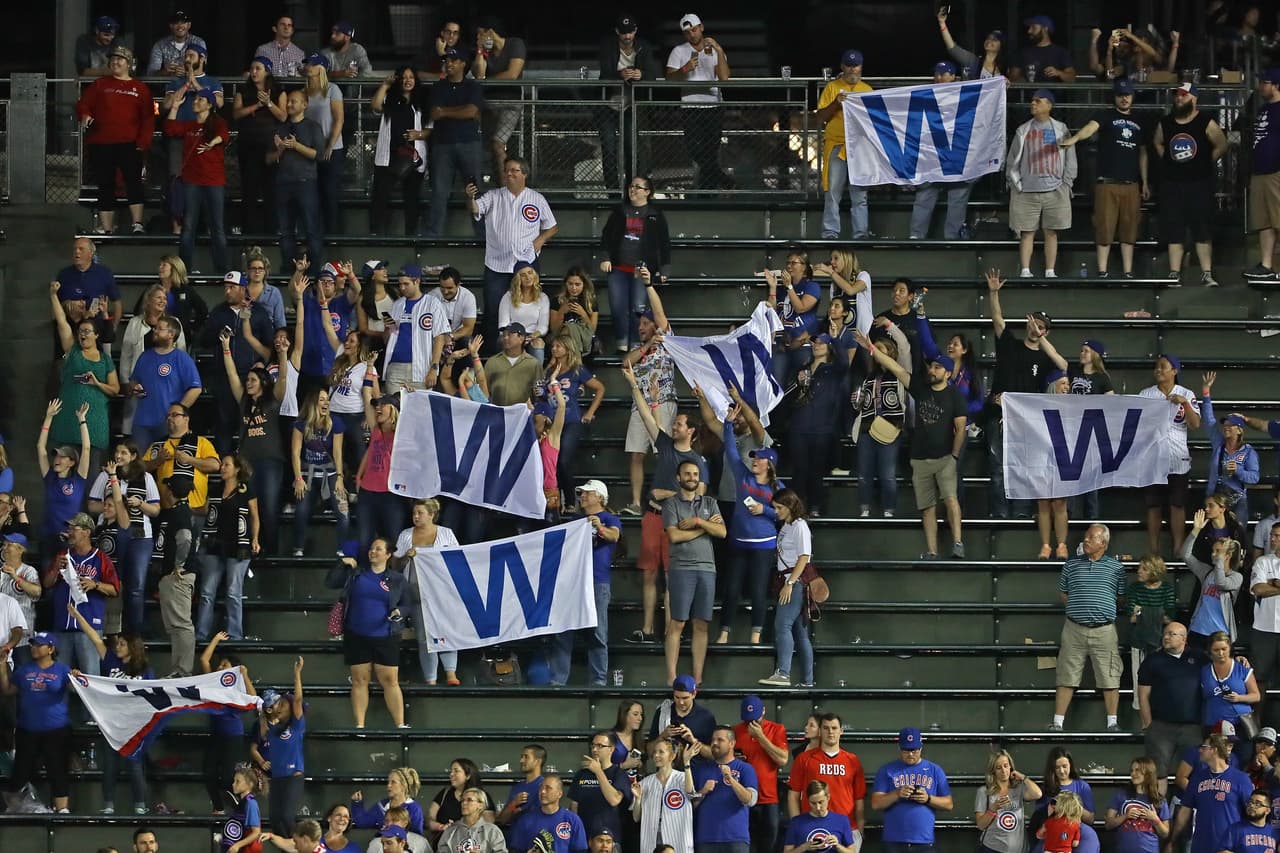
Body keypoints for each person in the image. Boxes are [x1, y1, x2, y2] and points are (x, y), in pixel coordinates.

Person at [984, 269, 1065, 519]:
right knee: (997, 468)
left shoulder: (1045, 357)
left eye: (1041, 327)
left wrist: (1042, 340)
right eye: (1033, 324)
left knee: (1023, 467)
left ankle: (1020, 513)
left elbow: (1063, 365)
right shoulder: (1010, 344)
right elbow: (998, 321)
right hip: (998, 414)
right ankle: (1000, 514)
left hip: (1026, 419)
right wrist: (994, 293)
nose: (1035, 329)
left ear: (1046, 332)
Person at [67, 602, 154, 815]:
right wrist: (77, 616)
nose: (118, 647)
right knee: (110, 765)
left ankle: (140, 805)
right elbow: (94, 638)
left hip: (134, 724)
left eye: (122, 644)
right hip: (111, 722)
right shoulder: (111, 660)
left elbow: (151, 696)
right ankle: (108, 804)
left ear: (133, 647)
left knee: (134, 764)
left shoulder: (145, 670)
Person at [1057, 80, 1150, 278]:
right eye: (1120, 95)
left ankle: (1128, 271)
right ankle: (1102, 270)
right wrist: (1075, 138)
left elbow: (1143, 153)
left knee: (1129, 229)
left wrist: (1145, 180)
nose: (1124, 98)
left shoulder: (1140, 120)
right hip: (1107, 181)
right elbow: (1090, 128)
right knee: (1104, 227)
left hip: (1131, 183)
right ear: (1114, 97)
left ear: (1133, 96)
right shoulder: (1105, 115)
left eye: (1127, 95)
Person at [467, 158, 558, 350]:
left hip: (527, 263)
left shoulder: (536, 199)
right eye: (507, 170)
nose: (509, 173)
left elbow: (552, 226)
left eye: (514, 170)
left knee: (528, 307)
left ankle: (526, 352)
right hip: (497, 264)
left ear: (524, 174)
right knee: (493, 310)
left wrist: (540, 240)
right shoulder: (493, 196)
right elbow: (476, 209)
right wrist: (470, 198)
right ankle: (493, 353)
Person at [1050, 524, 1125, 732]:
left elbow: (1121, 597)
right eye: (1086, 536)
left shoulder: (1116, 568)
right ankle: (1057, 723)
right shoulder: (1071, 565)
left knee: (1110, 676)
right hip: (1074, 628)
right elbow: (1063, 593)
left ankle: (1112, 723)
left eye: (1091, 537)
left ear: (1103, 543)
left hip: (1104, 630)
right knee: (1066, 675)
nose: (1086, 540)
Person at [1153, 83, 1229, 286]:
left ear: (1194, 98)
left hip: (1199, 184)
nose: (1179, 98)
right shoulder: (1166, 122)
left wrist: (1205, 161)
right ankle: (1174, 273)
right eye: (1177, 95)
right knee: (1174, 229)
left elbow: (1222, 144)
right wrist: (1169, 161)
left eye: (1183, 95)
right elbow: (1157, 142)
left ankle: (1206, 273)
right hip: (1172, 184)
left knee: (1202, 229)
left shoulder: (1206, 122)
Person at [224, 331, 289, 555]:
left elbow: (283, 379)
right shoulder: (243, 401)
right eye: (248, 380)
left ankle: (271, 551)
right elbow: (232, 374)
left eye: (252, 380)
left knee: (269, 506)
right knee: (251, 507)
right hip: (247, 463)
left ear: (263, 382)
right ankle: (253, 546)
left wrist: (283, 355)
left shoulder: (273, 400)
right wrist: (226, 348)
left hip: (271, 462)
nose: (248, 383)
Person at [76, 44, 152, 235]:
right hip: (102, 143)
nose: (115, 62)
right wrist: (85, 114)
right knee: (105, 184)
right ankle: (107, 228)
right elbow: (83, 104)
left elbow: (148, 118)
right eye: (113, 59)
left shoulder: (140, 88)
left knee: (133, 182)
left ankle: (137, 224)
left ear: (129, 64)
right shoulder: (100, 84)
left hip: (130, 143)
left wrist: (143, 142)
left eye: (120, 59)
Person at [87, 442, 161, 633]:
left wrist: (140, 504)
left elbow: (155, 509)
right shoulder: (105, 475)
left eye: (123, 452)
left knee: (136, 586)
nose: (118, 456)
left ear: (133, 456)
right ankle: (111, 629)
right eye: (116, 452)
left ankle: (134, 631)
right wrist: (112, 506)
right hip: (111, 534)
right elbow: (92, 505)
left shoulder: (146, 477)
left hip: (140, 535)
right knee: (112, 581)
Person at [661, 461, 723, 683]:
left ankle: (697, 678)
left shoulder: (710, 503)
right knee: (677, 623)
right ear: (678, 477)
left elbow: (722, 532)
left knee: (701, 624)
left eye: (695, 474)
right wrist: (705, 527)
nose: (692, 477)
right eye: (687, 474)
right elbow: (675, 536)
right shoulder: (671, 504)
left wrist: (697, 522)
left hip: (707, 568)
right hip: (682, 568)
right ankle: (671, 677)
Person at [1007, 90, 1077, 279]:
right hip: (1026, 190)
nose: (1033, 104)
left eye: (1038, 101)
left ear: (1049, 105)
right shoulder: (1023, 130)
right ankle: (1025, 270)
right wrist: (1016, 184)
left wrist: (1066, 183)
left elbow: (1070, 158)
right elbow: (1012, 160)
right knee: (1026, 232)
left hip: (1055, 189)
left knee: (1051, 232)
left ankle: (1050, 270)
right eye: (1032, 101)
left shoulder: (1061, 129)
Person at [49, 284, 119, 473]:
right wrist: (53, 295)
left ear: (96, 335)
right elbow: (62, 322)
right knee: (64, 475)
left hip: (95, 425)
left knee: (91, 476)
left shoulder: (105, 361)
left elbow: (115, 389)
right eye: (80, 331)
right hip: (68, 423)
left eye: (87, 331)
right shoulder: (72, 351)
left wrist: (97, 383)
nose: (82, 334)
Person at [0, 632, 72, 812]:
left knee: (58, 770)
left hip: (56, 729)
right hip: (27, 729)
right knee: (21, 770)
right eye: (32, 644)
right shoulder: (24, 670)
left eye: (39, 645)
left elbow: (75, 689)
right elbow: (8, 690)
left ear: (51, 649)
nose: (34, 648)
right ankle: (15, 808)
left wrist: (77, 677)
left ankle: (62, 810)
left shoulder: (63, 670)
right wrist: (1, 665)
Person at [1139, 355, 1201, 554]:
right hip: (1153, 458)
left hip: (1178, 458)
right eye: (1156, 367)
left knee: (1177, 505)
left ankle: (1178, 547)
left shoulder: (1186, 393)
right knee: (1153, 505)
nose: (1158, 370)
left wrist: (1185, 404)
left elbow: (1195, 424)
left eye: (1163, 367)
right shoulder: (1146, 394)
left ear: (1174, 371)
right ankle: (1154, 549)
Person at [164, 84, 229, 276]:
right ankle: (184, 270)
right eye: (196, 98)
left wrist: (212, 142)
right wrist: (175, 106)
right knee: (188, 226)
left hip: (214, 181)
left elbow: (223, 134)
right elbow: (169, 128)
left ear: (209, 105)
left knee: (217, 226)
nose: (196, 101)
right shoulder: (190, 125)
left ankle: (221, 269)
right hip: (192, 181)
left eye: (200, 99)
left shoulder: (217, 123)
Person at [395, 499, 460, 686]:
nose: (416, 517)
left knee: (447, 630)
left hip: (442, 590)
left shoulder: (446, 534)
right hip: (416, 592)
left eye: (420, 513)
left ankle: (451, 673)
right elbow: (395, 565)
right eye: (414, 513)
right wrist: (406, 557)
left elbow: (457, 560)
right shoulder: (406, 535)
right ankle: (430, 678)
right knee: (424, 637)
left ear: (432, 515)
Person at [849, 321, 912, 518]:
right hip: (867, 429)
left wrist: (889, 326)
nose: (874, 353)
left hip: (890, 428)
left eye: (879, 349)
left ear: (890, 353)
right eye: (873, 350)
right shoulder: (869, 376)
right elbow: (861, 406)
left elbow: (904, 346)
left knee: (887, 474)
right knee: (864, 474)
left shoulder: (899, 373)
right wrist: (857, 401)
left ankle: (889, 510)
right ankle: (864, 508)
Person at [908, 60, 976, 241]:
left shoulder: (964, 95)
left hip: (956, 155)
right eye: (937, 74)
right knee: (925, 195)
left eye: (944, 74)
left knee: (958, 196)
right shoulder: (925, 95)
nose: (939, 77)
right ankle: (916, 237)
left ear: (953, 77)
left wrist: (1000, 85)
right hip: (931, 155)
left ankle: (952, 239)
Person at [196, 453, 260, 642]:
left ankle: (235, 635)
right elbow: (205, 510)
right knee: (207, 592)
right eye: (222, 465)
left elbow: (254, 517)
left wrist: (255, 539)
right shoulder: (215, 489)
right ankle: (201, 634)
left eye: (226, 465)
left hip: (239, 545)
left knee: (233, 592)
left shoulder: (247, 490)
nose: (222, 468)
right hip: (214, 544)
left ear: (237, 469)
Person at [665, 13, 731, 190]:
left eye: (694, 30)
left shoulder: (714, 49)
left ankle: (707, 194)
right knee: (694, 149)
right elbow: (669, 79)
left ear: (701, 27)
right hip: (690, 105)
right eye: (687, 32)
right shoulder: (679, 51)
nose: (691, 34)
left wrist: (718, 49)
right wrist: (685, 69)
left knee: (711, 152)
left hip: (714, 105)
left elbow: (724, 78)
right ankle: (724, 181)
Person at [425, 47, 486, 238]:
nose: (448, 63)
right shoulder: (438, 86)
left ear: (463, 64)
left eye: (453, 60)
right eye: (447, 60)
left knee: (475, 189)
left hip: (469, 143)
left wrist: (446, 111)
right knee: (439, 191)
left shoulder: (472, 86)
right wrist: (459, 111)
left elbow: (471, 111)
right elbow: (435, 113)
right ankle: (433, 234)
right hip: (442, 144)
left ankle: (482, 234)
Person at [758, 489, 815, 687]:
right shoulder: (787, 525)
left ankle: (783, 673)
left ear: (790, 506)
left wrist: (789, 583)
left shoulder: (799, 526)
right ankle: (807, 681)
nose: (776, 511)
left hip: (794, 581)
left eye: (779, 507)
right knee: (800, 633)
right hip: (789, 579)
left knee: (782, 625)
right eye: (775, 507)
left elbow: (804, 557)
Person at [597, 16, 660, 190]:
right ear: (617, 32)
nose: (627, 36)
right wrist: (620, 75)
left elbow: (653, 75)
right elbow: (603, 75)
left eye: (630, 32)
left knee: (632, 148)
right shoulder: (608, 46)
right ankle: (612, 192)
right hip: (609, 105)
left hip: (632, 105)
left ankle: (630, 189)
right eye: (624, 32)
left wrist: (641, 75)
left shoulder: (644, 46)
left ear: (635, 30)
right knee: (609, 149)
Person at [198, 634, 258, 814]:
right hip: (216, 735)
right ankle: (218, 808)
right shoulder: (213, 683)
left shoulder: (237, 689)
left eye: (224, 665)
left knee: (227, 778)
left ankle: (241, 810)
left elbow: (253, 698)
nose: (220, 667)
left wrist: (244, 674)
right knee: (208, 772)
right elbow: (204, 660)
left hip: (233, 737)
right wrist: (216, 639)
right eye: (220, 664)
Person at [816, 50, 872, 239]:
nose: (852, 69)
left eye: (855, 65)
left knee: (860, 194)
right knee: (832, 192)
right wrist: (836, 103)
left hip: (860, 148)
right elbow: (820, 117)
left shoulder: (867, 90)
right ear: (842, 66)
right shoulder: (832, 87)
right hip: (837, 144)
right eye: (848, 65)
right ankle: (830, 232)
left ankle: (861, 233)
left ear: (861, 67)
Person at [787, 712, 866, 844]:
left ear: (841, 731)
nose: (830, 732)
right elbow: (793, 795)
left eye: (834, 728)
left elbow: (859, 799)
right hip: (812, 827)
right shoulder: (804, 759)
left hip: (847, 828)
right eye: (826, 728)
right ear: (820, 731)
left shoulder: (852, 760)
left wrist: (860, 829)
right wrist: (797, 826)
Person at [871, 728, 954, 852]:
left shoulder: (935, 770)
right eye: (906, 750)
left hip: (924, 842)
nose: (910, 754)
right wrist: (897, 794)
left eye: (914, 750)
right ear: (899, 748)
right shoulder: (886, 770)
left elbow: (949, 804)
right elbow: (876, 804)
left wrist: (928, 798)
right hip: (894, 842)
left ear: (921, 748)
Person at [232, 57, 287, 236]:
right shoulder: (243, 91)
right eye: (252, 68)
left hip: (270, 146)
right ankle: (250, 233)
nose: (254, 72)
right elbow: (236, 114)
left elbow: (283, 116)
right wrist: (256, 105)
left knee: (270, 189)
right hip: (248, 145)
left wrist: (269, 103)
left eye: (258, 68)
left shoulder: (278, 91)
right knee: (249, 190)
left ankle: (271, 232)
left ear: (267, 71)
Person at [370, 67, 428, 236]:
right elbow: (375, 106)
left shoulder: (422, 101)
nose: (407, 80)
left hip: (412, 155)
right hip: (388, 155)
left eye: (411, 77)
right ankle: (376, 234)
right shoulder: (389, 98)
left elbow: (431, 129)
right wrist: (385, 85)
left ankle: (411, 235)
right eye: (403, 77)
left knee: (412, 198)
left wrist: (417, 134)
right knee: (380, 195)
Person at [272, 89, 326, 269]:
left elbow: (319, 155)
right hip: (283, 183)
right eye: (288, 101)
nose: (288, 104)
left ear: (305, 105)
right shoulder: (280, 127)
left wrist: (296, 146)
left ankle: (315, 270)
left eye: (293, 101)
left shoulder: (312, 127)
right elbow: (269, 158)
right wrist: (280, 149)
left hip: (306, 182)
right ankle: (288, 270)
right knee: (285, 231)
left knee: (311, 229)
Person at [1171, 733, 1252, 853]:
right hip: (1201, 845)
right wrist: (1172, 840)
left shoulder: (1241, 779)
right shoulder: (1197, 778)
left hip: (1229, 846)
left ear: (1214, 750)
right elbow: (1185, 811)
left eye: (1204, 747)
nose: (1200, 750)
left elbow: (1251, 813)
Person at [291, 389, 348, 556]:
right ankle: (298, 548)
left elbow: (337, 452)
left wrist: (340, 477)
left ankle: (342, 550)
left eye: (327, 399)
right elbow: (295, 453)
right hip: (307, 474)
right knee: (301, 511)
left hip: (330, 473)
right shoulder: (301, 424)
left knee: (344, 512)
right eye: (322, 399)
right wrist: (298, 478)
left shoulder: (335, 422)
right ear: (313, 403)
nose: (326, 403)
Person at [471, 17, 527, 184]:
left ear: (491, 32)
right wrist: (480, 51)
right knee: (480, 143)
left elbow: (512, 74)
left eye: (480, 34)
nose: (478, 37)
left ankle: (506, 186)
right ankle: (482, 183)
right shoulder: (486, 52)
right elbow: (479, 75)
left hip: (511, 102)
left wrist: (487, 81)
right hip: (488, 103)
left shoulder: (515, 44)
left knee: (498, 143)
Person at [729, 696, 788, 853]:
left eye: (756, 719)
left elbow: (783, 759)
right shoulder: (735, 731)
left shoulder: (776, 729)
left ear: (763, 711)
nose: (752, 723)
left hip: (768, 798)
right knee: (744, 846)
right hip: (742, 797)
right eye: (748, 719)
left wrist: (761, 737)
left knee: (768, 845)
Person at [577, 481, 620, 686]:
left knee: (598, 632)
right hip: (574, 582)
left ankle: (599, 681)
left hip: (597, 581)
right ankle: (557, 680)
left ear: (600, 498)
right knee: (563, 633)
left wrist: (599, 527)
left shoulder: (610, 519)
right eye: (582, 493)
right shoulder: (575, 520)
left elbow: (614, 535)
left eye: (588, 493)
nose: (583, 496)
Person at [1202, 371, 1261, 521]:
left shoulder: (1248, 452)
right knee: (1214, 533)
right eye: (1225, 424)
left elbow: (1254, 477)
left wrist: (1238, 471)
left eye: (1231, 425)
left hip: (1237, 501)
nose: (1226, 427)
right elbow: (1209, 420)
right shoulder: (1219, 443)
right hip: (1215, 499)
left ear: (1240, 430)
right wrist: (1206, 392)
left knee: (1237, 533)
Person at [1185, 505, 1246, 643]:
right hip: (1198, 630)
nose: (1213, 554)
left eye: (1217, 551)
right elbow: (1185, 555)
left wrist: (1220, 559)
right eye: (1213, 551)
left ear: (1228, 555)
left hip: (1220, 633)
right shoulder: (1207, 572)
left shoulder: (1237, 577)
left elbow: (1221, 583)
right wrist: (1195, 531)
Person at [260, 657, 307, 836]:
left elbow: (298, 700)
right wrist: (264, 710)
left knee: (287, 817)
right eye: (277, 704)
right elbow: (261, 715)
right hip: (277, 779)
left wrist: (297, 674)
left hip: (293, 778)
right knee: (275, 820)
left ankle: (299, 846)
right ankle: (286, 847)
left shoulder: (297, 725)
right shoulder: (271, 728)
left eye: (283, 703)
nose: (280, 707)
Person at [763, 252, 822, 389]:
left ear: (804, 267)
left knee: (803, 386)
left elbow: (801, 308)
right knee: (776, 386)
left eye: (793, 263)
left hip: (803, 345)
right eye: (787, 263)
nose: (789, 266)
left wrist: (790, 287)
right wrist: (773, 287)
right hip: (782, 345)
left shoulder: (811, 286)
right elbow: (771, 311)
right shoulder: (782, 288)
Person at [631, 738, 697, 853]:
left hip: (677, 836)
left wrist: (686, 763)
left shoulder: (682, 778)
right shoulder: (645, 783)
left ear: (672, 756)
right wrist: (638, 799)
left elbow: (690, 792)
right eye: (655, 752)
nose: (656, 755)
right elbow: (636, 817)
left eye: (661, 752)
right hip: (652, 837)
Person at [1245, 69, 1280, 281]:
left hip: (1276, 172)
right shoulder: (1263, 109)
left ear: (1276, 85)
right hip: (1260, 171)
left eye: (1264, 83)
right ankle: (1266, 265)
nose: (1260, 87)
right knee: (1264, 221)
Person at [569, 731, 632, 841]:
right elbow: (574, 806)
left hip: (610, 839)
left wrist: (598, 771)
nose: (594, 749)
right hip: (585, 837)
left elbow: (614, 800)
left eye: (600, 746)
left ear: (611, 749)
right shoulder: (582, 774)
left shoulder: (619, 774)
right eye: (593, 745)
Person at [975, 750, 1040, 853]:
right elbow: (981, 825)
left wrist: (1023, 777)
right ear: (993, 771)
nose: (1003, 770)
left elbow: (1037, 794)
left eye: (1006, 766)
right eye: (998, 768)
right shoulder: (984, 791)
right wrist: (993, 809)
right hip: (992, 848)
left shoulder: (1019, 788)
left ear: (1011, 767)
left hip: (1019, 849)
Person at [1103, 756, 1171, 851]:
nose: (1133, 774)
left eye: (1137, 770)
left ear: (1148, 773)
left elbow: (1165, 833)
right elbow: (1108, 825)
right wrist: (1125, 816)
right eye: (1132, 770)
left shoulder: (1159, 800)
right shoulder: (1120, 795)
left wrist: (1155, 819)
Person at [510, 775, 587, 853]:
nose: (543, 791)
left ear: (559, 794)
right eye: (541, 788)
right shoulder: (525, 820)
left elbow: (580, 850)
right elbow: (516, 850)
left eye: (548, 788)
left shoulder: (573, 820)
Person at [1201, 630, 1261, 729]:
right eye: (1216, 650)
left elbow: (1256, 696)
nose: (1221, 653)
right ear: (1210, 650)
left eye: (1224, 649)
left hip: (1240, 723)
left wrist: (1239, 698)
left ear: (1230, 648)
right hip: (1213, 723)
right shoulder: (1204, 671)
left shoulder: (1242, 668)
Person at [500, 263, 551, 363]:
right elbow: (503, 324)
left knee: (538, 345)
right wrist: (516, 338)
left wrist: (533, 336)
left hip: (533, 335)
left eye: (530, 273)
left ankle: (537, 373)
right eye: (523, 275)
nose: (528, 277)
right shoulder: (508, 297)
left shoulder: (543, 297)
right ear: (517, 279)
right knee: (506, 342)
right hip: (512, 334)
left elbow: (543, 326)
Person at [549, 268, 601, 364]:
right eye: (570, 284)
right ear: (566, 284)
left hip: (585, 339)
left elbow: (592, 330)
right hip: (561, 338)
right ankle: (578, 364)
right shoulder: (557, 300)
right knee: (570, 328)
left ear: (584, 284)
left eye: (577, 284)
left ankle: (556, 363)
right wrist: (561, 312)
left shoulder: (590, 301)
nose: (573, 288)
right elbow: (554, 330)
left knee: (571, 328)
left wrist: (583, 314)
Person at [430, 761, 498, 833]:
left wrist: (460, 828)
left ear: (468, 775)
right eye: (451, 771)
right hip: (445, 838)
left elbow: (488, 824)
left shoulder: (482, 796)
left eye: (456, 771)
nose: (451, 774)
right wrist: (440, 826)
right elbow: (430, 817)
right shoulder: (445, 793)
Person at [352, 768, 424, 835]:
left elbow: (416, 836)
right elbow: (362, 822)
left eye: (393, 782)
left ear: (403, 786)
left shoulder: (414, 809)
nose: (388, 785)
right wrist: (357, 802)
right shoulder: (382, 805)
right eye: (388, 782)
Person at [936, 9, 1005, 78]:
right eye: (988, 38)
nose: (989, 40)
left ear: (1001, 46)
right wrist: (942, 23)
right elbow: (953, 48)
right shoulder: (973, 62)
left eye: (994, 39)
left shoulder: (1003, 67)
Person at [1008, 16, 1077, 82]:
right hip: (1030, 90)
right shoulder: (1023, 52)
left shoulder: (1061, 52)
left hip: (1052, 90)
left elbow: (1072, 79)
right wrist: (1021, 79)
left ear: (1045, 28)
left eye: (1033, 27)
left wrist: (1059, 73)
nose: (1029, 31)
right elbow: (1013, 78)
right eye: (1029, 28)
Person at [1038, 747, 1096, 825]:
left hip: (1076, 831)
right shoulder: (1045, 788)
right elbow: (1038, 819)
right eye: (1057, 767)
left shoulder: (1082, 786)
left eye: (1064, 766)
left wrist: (1072, 806)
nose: (1061, 771)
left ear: (1070, 765)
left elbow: (1090, 820)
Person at [436, 788, 505, 853]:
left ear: (480, 805)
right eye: (462, 800)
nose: (464, 803)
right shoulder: (451, 831)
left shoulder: (492, 831)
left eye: (469, 800)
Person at [147, 10, 207, 76]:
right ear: (171, 26)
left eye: (183, 23)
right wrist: (165, 72)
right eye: (176, 23)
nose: (180, 26)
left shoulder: (198, 42)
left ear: (189, 25)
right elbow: (150, 74)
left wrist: (187, 72)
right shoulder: (160, 45)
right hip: (168, 82)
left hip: (192, 82)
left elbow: (203, 70)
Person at [221, 766, 264, 853]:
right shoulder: (242, 803)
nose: (233, 784)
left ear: (250, 784)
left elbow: (256, 832)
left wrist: (237, 845)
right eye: (234, 781)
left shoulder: (251, 804)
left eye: (238, 781)